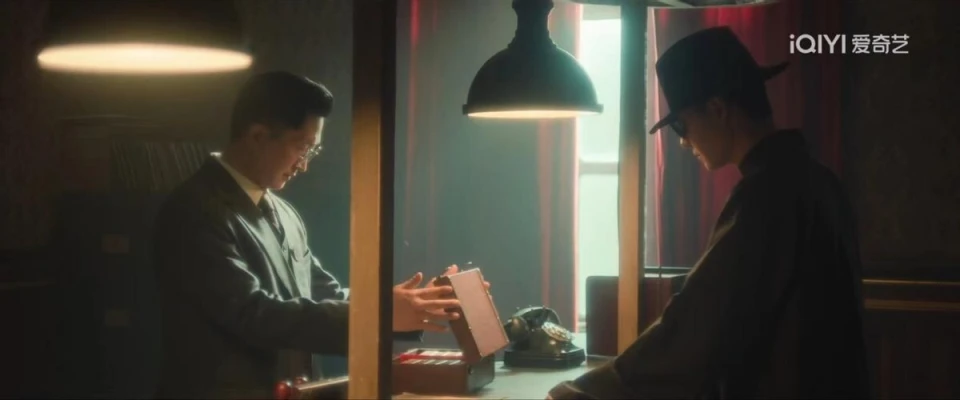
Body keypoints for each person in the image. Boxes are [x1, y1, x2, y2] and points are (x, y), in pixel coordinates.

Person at [547, 27, 870, 399]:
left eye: (681, 125)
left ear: (717, 109)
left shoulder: (767, 196)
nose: (684, 142)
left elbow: (695, 330)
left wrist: (582, 392)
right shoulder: (819, 182)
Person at [153, 71, 471, 399]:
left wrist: (417, 303)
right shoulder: (194, 210)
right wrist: (377, 314)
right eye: (302, 147)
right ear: (258, 136)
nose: (303, 165)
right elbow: (253, 314)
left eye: (311, 151)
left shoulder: (285, 213)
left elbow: (323, 294)